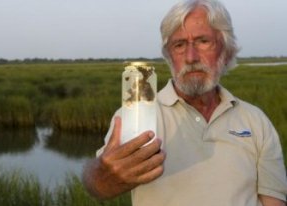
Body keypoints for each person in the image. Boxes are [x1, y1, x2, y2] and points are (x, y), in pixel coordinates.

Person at [83, 0, 287, 205]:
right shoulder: (136, 115)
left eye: (203, 41)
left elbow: (273, 200)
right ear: (169, 56)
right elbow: (98, 185)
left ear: (226, 51)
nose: (191, 57)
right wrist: (103, 174)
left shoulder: (256, 120)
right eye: (179, 45)